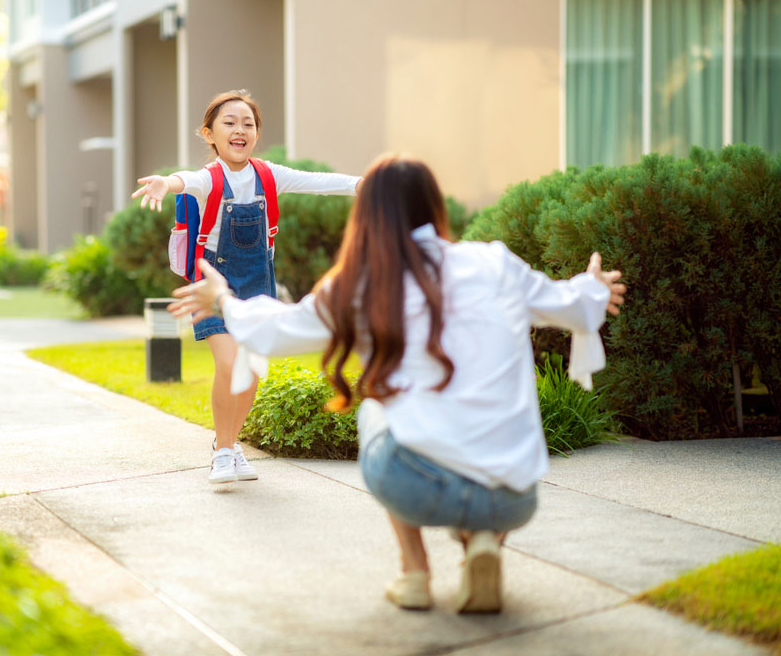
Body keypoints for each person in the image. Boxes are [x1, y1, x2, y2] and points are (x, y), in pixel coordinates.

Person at [166, 154, 626, 613]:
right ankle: (483, 543)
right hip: (515, 497)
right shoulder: (494, 263)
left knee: (375, 409)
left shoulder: (363, 281)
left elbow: (279, 328)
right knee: (483, 443)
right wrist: (593, 287)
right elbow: (571, 302)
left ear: (369, 214)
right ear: (433, 206)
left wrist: (224, 298)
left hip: (416, 484)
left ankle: (416, 573)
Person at [132, 90, 361, 485]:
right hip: (211, 284)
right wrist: (164, 184)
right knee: (229, 363)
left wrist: (364, 183)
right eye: (229, 123)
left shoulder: (269, 175)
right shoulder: (208, 179)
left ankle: (232, 443)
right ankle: (222, 452)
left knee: (251, 371)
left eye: (248, 124)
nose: (240, 130)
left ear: (256, 133)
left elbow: (318, 182)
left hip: (258, 285)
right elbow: (183, 180)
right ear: (210, 134)